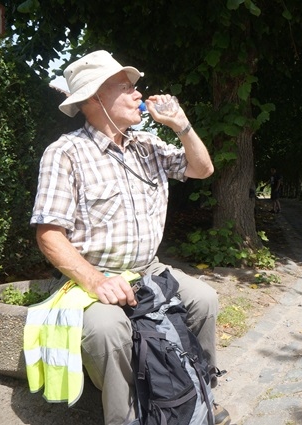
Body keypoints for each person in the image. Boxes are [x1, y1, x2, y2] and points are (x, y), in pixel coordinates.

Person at [30, 50, 230, 425]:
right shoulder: (66, 153)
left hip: (148, 268)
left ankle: (201, 394)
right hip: (94, 275)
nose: (138, 94)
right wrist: (96, 281)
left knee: (205, 299)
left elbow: (203, 169)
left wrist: (182, 125)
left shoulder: (148, 147)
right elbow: (49, 234)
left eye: (135, 87)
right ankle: (124, 419)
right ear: (93, 100)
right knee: (109, 331)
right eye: (125, 88)